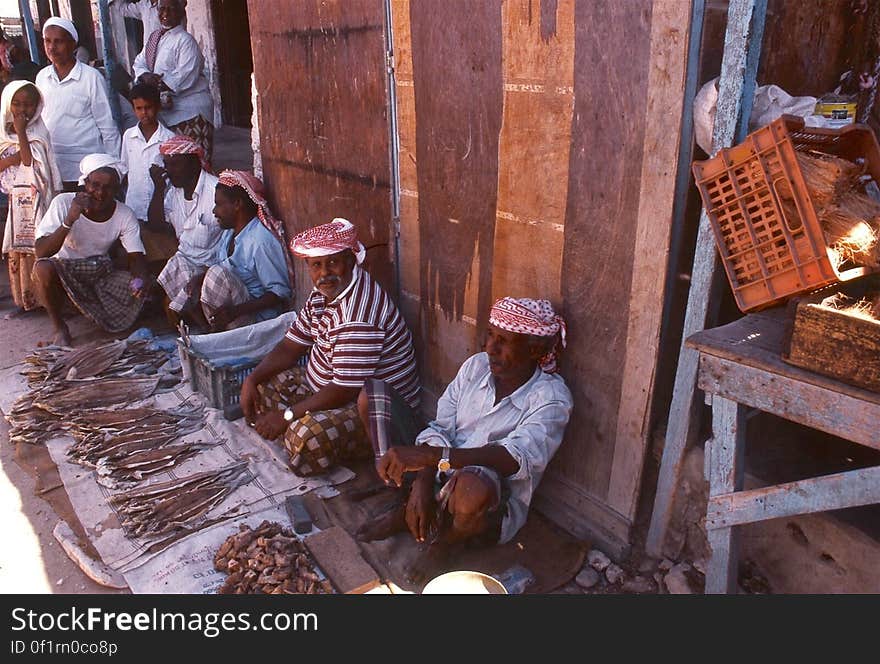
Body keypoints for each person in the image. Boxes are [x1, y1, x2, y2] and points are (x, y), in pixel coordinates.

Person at [356, 297, 573, 578]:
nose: (490, 348)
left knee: (472, 486)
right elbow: (441, 427)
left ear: (534, 350)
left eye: (504, 341)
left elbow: (514, 459)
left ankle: (446, 543)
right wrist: (423, 477)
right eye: (491, 335)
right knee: (373, 394)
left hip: (485, 501)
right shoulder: (476, 367)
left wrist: (434, 458)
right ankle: (410, 502)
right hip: (440, 472)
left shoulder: (551, 398)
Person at [240, 218, 420, 476]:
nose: (324, 273)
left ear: (350, 261)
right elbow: (292, 345)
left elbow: (345, 390)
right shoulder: (322, 293)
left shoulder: (359, 311)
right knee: (261, 389)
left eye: (333, 262)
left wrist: (288, 416)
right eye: (317, 265)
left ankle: (366, 448)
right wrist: (251, 378)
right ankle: (297, 430)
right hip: (327, 389)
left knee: (305, 436)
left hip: (369, 410)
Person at [32, 154, 148, 346]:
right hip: (64, 271)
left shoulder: (124, 214)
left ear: (117, 190)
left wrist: (140, 279)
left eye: (108, 187)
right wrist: (69, 220)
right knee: (43, 268)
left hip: (99, 272)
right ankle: (59, 327)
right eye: (95, 185)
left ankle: (95, 312)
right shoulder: (63, 203)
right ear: (85, 184)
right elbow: (41, 251)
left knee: (136, 287)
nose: (100, 193)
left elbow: (136, 256)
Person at [187, 170, 293, 332]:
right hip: (234, 313)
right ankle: (215, 329)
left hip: (259, 320)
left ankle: (220, 333)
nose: (214, 211)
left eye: (219, 204)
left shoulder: (260, 240)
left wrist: (235, 312)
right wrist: (200, 277)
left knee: (216, 273)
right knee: (193, 272)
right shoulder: (228, 234)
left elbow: (279, 292)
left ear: (237, 204)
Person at [0, 81, 63, 315]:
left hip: (38, 201)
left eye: (28, 104)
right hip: (14, 202)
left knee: (38, 246)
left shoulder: (38, 132)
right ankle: (26, 301)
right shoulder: (2, 133)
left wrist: (22, 135)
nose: (22, 110)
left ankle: (47, 299)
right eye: (16, 104)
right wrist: (13, 155)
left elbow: (28, 162)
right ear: (8, 104)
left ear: (37, 106)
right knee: (19, 249)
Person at [35, 18, 120, 189]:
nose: (51, 47)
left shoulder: (91, 77)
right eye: (47, 41)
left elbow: (107, 127)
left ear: (73, 44)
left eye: (58, 41)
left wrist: (114, 167)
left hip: (86, 167)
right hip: (53, 164)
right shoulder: (42, 77)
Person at [146, 134, 222, 325]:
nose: (169, 171)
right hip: (184, 262)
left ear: (195, 164)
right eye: (167, 165)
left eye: (176, 165)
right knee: (170, 311)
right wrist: (158, 188)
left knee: (177, 309)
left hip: (213, 268)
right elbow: (156, 225)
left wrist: (204, 275)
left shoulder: (216, 190)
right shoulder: (173, 193)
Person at [132, 0, 214, 168]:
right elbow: (139, 63)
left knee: (196, 165)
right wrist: (145, 75)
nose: (166, 13)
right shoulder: (155, 37)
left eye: (172, 9)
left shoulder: (185, 41)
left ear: (181, 12)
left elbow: (185, 75)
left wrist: (156, 83)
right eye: (162, 9)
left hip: (191, 114)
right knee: (176, 166)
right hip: (168, 114)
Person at [120, 83, 175, 259]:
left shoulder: (169, 139)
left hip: (159, 208)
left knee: (159, 251)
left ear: (157, 106)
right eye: (139, 108)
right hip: (133, 205)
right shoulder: (129, 136)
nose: (144, 113)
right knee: (136, 252)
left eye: (148, 107)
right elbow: (125, 168)